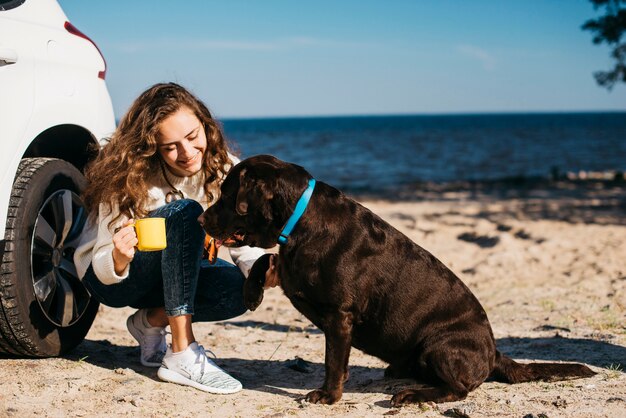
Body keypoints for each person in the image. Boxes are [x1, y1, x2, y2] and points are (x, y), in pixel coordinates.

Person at [74, 82, 276, 394]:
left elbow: (243, 242)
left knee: (242, 290)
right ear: (152, 146)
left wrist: (261, 270)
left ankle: (152, 321)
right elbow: (100, 263)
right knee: (185, 212)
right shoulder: (128, 178)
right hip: (114, 281)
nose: (186, 152)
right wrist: (118, 257)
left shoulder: (225, 170)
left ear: (205, 125)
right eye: (170, 147)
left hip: (174, 279)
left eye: (194, 137)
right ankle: (182, 352)